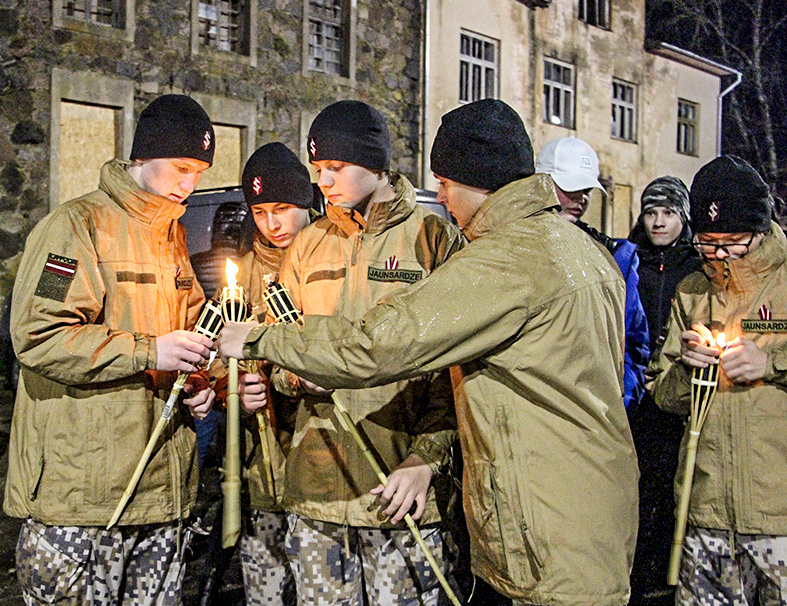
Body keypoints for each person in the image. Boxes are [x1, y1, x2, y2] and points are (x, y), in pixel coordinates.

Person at [218, 99, 639, 606]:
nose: (439, 194)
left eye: (444, 182)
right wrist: (285, 374)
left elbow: (380, 347)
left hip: (542, 515)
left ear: (475, 181)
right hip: (580, 506)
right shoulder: (581, 249)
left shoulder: (497, 259)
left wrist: (258, 339)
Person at [4, 94, 217, 605]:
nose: (189, 184)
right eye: (181, 167)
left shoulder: (173, 237)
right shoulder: (75, 227)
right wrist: (150, 351)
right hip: (83, 501)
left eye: (200, 171)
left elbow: (187, 330)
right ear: (143, 157)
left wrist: (199, 380)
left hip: (162, 495)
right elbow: (39, 334)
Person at [265, 100, 463, 606]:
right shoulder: (307, 245)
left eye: (335, 168)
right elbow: (277, 345)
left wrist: (427, 459)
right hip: (318, 486)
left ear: (375, 163)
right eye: (317, 170)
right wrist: (296, 378)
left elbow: (459, 371)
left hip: (398, 488)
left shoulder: (432, 238)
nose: (324, 181)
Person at [648, 155, 787, 605]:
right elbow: (663, 397)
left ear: (762, 230)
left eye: (733, 242)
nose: (720, 256)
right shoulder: (692, 290)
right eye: (708, 243)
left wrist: (774, 365)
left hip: (781, 521)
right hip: (704, 515)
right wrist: (688, 367)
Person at [220, 142, 318, 605]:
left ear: (306, 204)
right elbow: (218, 352)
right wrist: (232, 385)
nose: (271, 224)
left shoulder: (329, 259)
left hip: (325, 462)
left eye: (281, 209)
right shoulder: (241, 273)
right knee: (266, 589)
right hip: (262, 467)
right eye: (259, 212)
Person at [626, 177, 701, 606]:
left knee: (673, 479)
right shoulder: (629, 257)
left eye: (668, 213)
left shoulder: (692, 267)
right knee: (638, 484)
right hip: (636, 389)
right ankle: (638, 570)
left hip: (675, 386)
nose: (658, 222)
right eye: (651, 213)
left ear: (682, 217)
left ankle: (665, 573)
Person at [535, 137, 650, 411]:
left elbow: (633, 341)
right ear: (541, 183)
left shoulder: (614, 257)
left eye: (586, 189)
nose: (581, 198)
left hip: (595, 416)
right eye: (570, 188)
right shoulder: (510, 247)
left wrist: (617, 398)